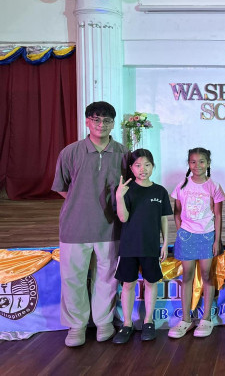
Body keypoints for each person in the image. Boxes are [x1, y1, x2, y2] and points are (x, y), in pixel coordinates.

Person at [52, 101, 128, 347]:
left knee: (107, 276)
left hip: (110, 227)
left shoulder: (124, 153)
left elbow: (127, 190)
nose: (101, 124)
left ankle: (104, 321)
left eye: (106, 120)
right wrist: (81, 202)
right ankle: (76, 325)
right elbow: (62, 187)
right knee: (73, 278)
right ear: (87, 121)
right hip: (75, 226)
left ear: (113, 124)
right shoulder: (70, 152)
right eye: (96, 119)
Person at [112, 149, 172, 344]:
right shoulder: (126, 189)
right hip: (129, 247)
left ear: (153, 166)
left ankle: (148, 321)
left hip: (151, 246)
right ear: (131, 168)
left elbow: (163, 219)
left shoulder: (160, 191)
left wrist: (165, 243)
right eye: (138, 165)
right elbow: (123, 218)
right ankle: (127, 323)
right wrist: (119, 197)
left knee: (151, 283)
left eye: (147, 165)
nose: (143, 169)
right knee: (128, 284)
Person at [168, 148, 225, 339]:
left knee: (207, 275)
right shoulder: (182, 185)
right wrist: (181, 232)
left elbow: (218, 215)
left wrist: (216, 240)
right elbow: (177, 212)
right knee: (187, 276)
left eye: (201, 161)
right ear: (188, 164)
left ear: (208, 163)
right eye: (193, 161)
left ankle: (206, 318)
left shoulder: (214, 186)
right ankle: (186, 319)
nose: (197, 165)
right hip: (187, 236)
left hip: (207, 236)